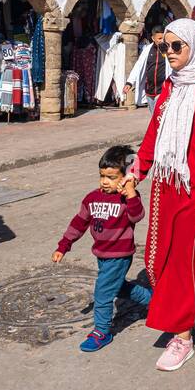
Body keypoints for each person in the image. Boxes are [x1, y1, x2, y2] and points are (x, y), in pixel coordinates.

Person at [127, 18, 195, 371]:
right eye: (166, 46)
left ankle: (182, 336)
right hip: (166, 187)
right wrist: (136, 172)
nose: (170, 53)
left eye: (178, 46)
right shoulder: (169, 88)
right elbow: (152, 137)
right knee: (158, 257)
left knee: (182, 262)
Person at [53, 144, 153, 352]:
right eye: (102, 176)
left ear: (125, 177)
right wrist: (64, 245)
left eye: (112, 177)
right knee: (118, 287)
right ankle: (153, 300)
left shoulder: (128, 199)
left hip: (120, 255)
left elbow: (137, 216)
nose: (105, 182)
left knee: (103, 293)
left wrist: (131, 193)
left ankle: (101, 331)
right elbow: (78, 223)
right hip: (102, 254)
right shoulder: (92, 198)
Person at [123, 26, 168, 112]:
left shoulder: (168, 50)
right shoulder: (147, 50)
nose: (162, 40)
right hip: (149, 90)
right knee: (153, 116)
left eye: (163, 38)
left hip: (162, 90)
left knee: (159, 115)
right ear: (153, 38)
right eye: (159, 38)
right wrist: (129, 82)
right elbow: (138, 66)